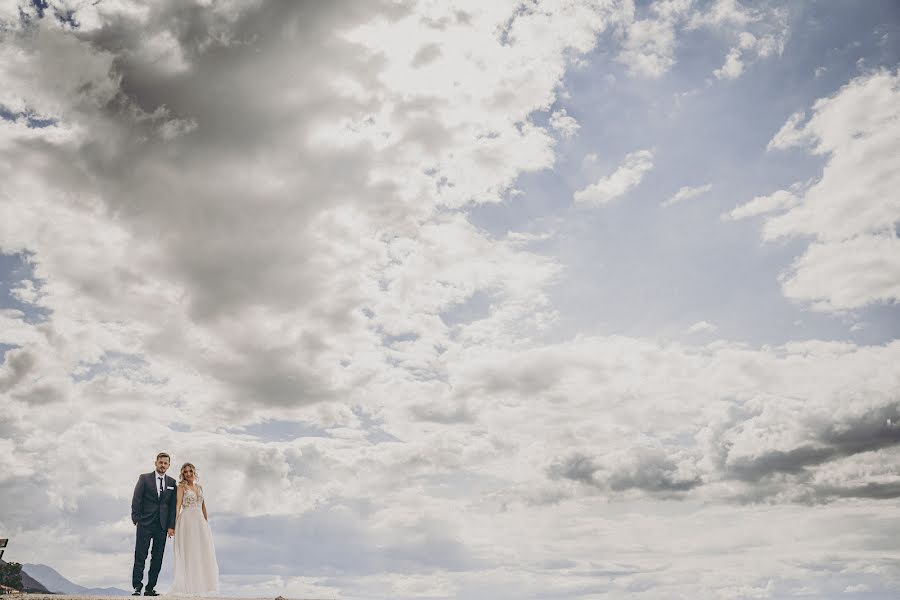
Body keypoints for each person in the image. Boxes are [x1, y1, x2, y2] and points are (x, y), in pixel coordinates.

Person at [168, 462, 219, 595]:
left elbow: (203, 506)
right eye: (185, 472)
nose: (188, 474)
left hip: (200, 522)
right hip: (186, 521)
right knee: (190, 551)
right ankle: (188, 587)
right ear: (182, 474)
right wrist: (173, 526)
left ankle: (202, 587)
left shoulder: (199, 487)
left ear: (194, 472)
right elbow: (178, 506)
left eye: (190, 471)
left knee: (201, 552)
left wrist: (206, 523)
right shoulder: (181, 487)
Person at [131, 452, 177, 596]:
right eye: (161, 462)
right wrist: (136, 518)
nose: (163, 465)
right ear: (155, 463)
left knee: (157, 557)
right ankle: (137, 587)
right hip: (145, 523)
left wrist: (171, 526)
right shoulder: (144, 478)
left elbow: (172, 507)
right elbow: (136, 498)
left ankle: (150, 588)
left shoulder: (171, 482)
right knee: (140, 555)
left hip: (162, 526)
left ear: (169, 465)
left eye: (165, 463)